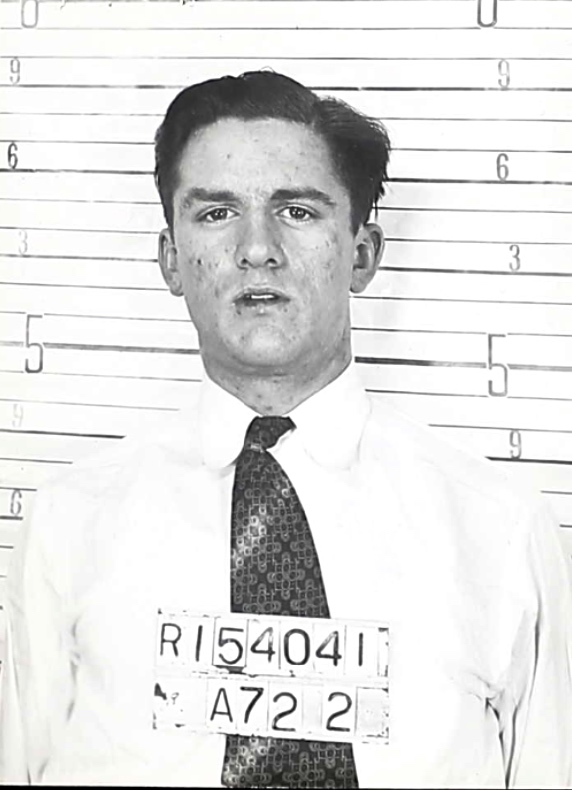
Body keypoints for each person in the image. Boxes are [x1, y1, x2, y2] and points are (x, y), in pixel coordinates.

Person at [1, 70, 572, 788]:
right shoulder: (66, 526)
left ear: (363, 254)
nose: (257, 249)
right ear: (171, 259)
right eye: (217, 213)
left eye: (297, 211)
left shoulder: (501, 530)